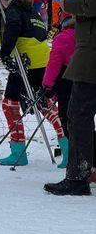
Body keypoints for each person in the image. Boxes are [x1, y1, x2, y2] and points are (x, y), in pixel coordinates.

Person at [0, 0, 67, 167]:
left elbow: (12, 31)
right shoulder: (31, 10)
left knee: (10, 105)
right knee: (44, 104)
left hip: (25, 64)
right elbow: (40, 32)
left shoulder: (13, 11)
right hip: (43, 62)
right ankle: (67, 147)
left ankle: (18, 152)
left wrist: (5, 55)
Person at [44, 0, 96, 195]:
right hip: (88, 48)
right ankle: (87, 169)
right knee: (81, 113)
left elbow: (92, 4)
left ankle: (77, 176)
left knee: (78, 113)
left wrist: (70, 3)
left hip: (92, 52)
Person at [42, 11, 75, 169]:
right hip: (87, 84)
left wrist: (47, 85)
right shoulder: (88, 33)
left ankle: (72, 157)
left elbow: (54, 63)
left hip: (66, 85)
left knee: (67, 119)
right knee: (85, 122)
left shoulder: (63, 38)